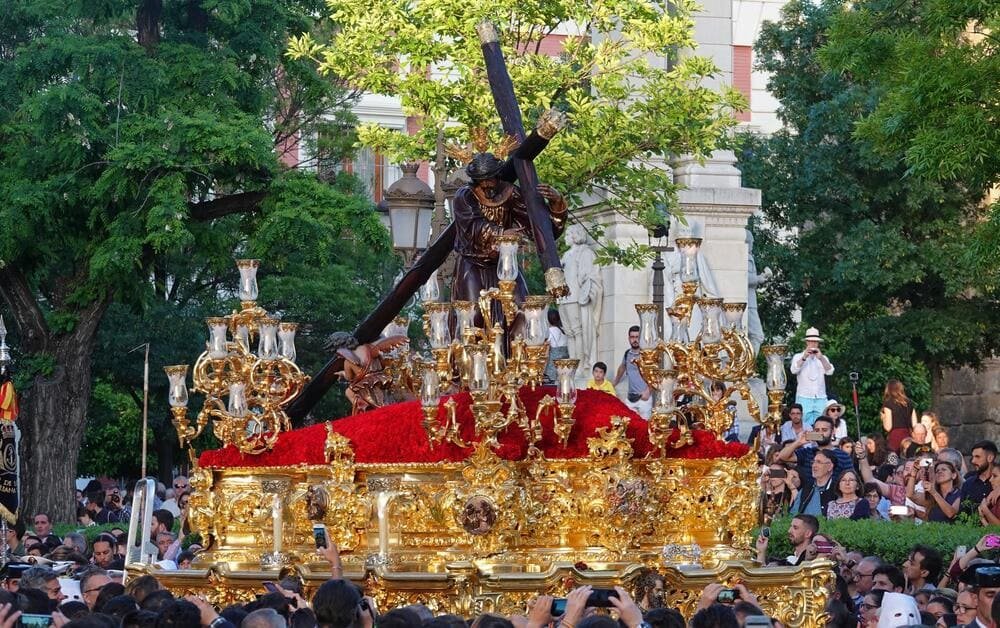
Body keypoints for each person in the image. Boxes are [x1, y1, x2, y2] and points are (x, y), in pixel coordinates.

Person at [451, 149, 567, 323]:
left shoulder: (510, 193)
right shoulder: (464, 196)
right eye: (482, 181)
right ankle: (472, 350)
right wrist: (501, 234)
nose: (487, 185)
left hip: (505, 263)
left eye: (490, 178)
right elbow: (471, 225)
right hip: (472, 264)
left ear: (498, 176)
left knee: (523, 313)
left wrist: (557, 203)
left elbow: (539, 230)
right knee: (473, 315)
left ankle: (521, 350)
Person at [789, 327, 834, 426]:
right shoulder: (798, 356)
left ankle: (820, 442)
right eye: (811, 342)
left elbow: (830, 371)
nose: (813, 344)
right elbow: (793, 370)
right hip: (804, 397)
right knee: (804, 425)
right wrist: (804, 357)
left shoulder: (823, 357)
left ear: (818, 343)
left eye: (815, 342)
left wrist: (821, 358)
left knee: (822, 424)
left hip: (820, 397)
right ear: (807, 342)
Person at [613, 325, 651, 419]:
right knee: (629, 426)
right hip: (630, 398)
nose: (635, 340)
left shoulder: (647, 355)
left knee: (645, 427)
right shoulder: (627, 354)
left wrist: (648, 391)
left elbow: (654, 375)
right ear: (629, 338)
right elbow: (622, 367)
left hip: (644, 399)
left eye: (637, 337)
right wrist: (614, 383)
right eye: (632, 337)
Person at [880, 380, 918, 453]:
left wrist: (883, 418)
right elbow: (915, 424)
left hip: (895, 436)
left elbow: (888, 427)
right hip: (908, 435)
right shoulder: (909, 402)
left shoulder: (888, 403)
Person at [962, 441, 998, 510]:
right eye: (973, 457)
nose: (973, 461)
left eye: (977, 457)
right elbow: (962, 512)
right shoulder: (968, 483)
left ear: (990, 458)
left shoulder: (998, 481)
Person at [543, 309, 568, 384]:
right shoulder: (564, 329)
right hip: (565, 357)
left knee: (553, 381)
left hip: (554, 359)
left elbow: (546, 345)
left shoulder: (550, 331)